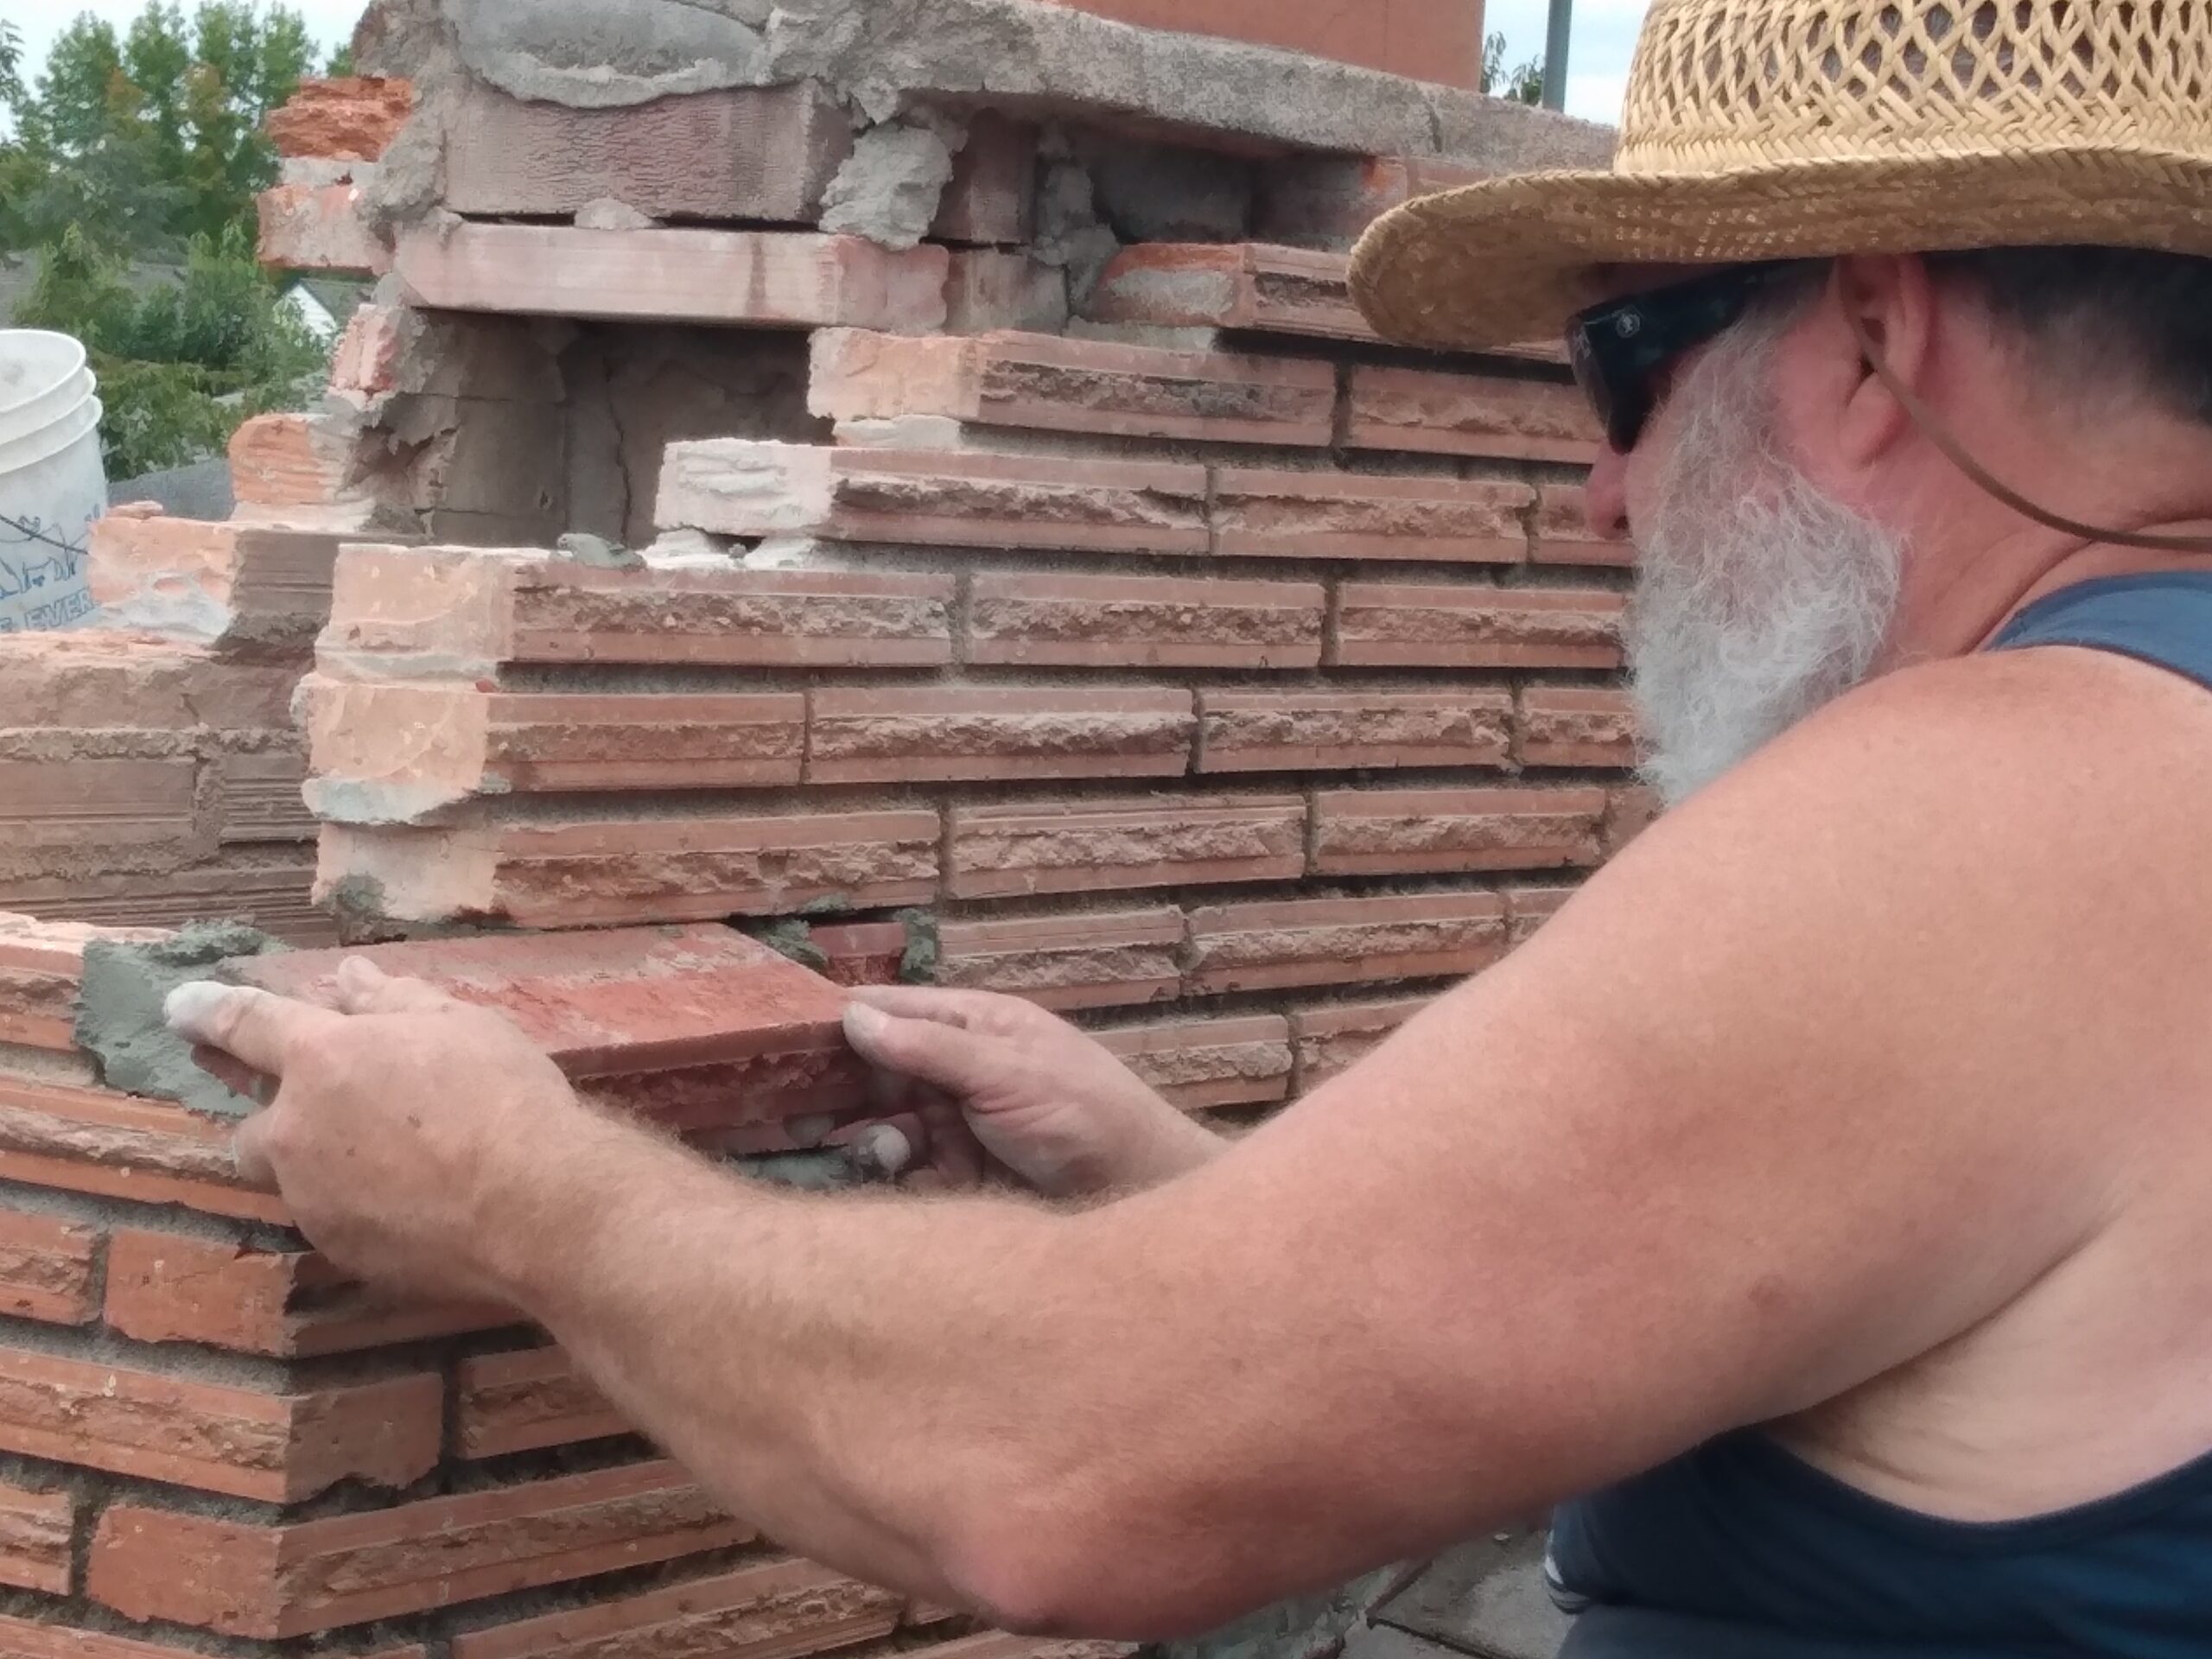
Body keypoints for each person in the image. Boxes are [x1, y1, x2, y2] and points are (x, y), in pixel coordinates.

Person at [169, 0, 2212, 1652]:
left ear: (1873, 333)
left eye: (1616, 369)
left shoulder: (2005, 808)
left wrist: (519, 1190)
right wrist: (1187, 1196)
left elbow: (1061, 1476)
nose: (1599, 500)